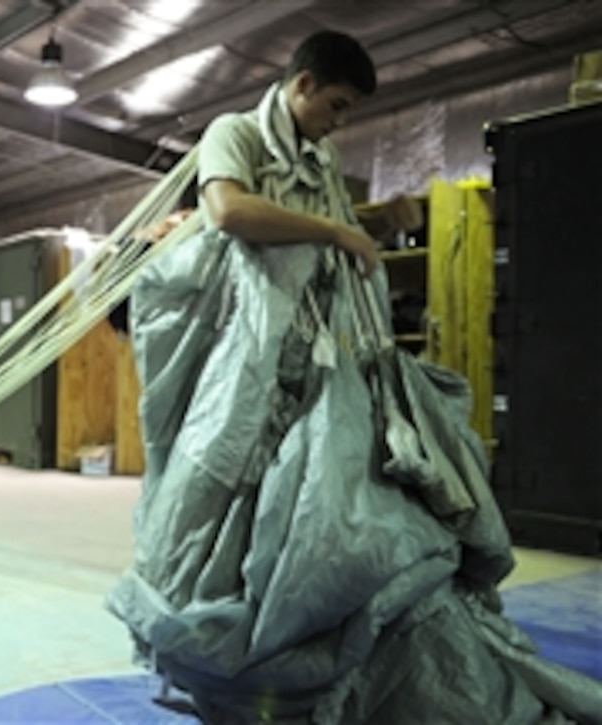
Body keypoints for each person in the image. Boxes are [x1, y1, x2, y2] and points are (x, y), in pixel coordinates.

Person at [107, 30, 601, 723]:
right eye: (335, 104)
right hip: (242, 359)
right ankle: (232, 654)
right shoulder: (236, 133)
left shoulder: (322, 159)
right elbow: (229, 210)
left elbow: (333, 237)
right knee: (225, 497)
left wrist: (370, 220)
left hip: (306, 355)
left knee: (318, 500)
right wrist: (338, 231)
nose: (340, 121)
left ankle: (307, 649)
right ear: (303, 84)